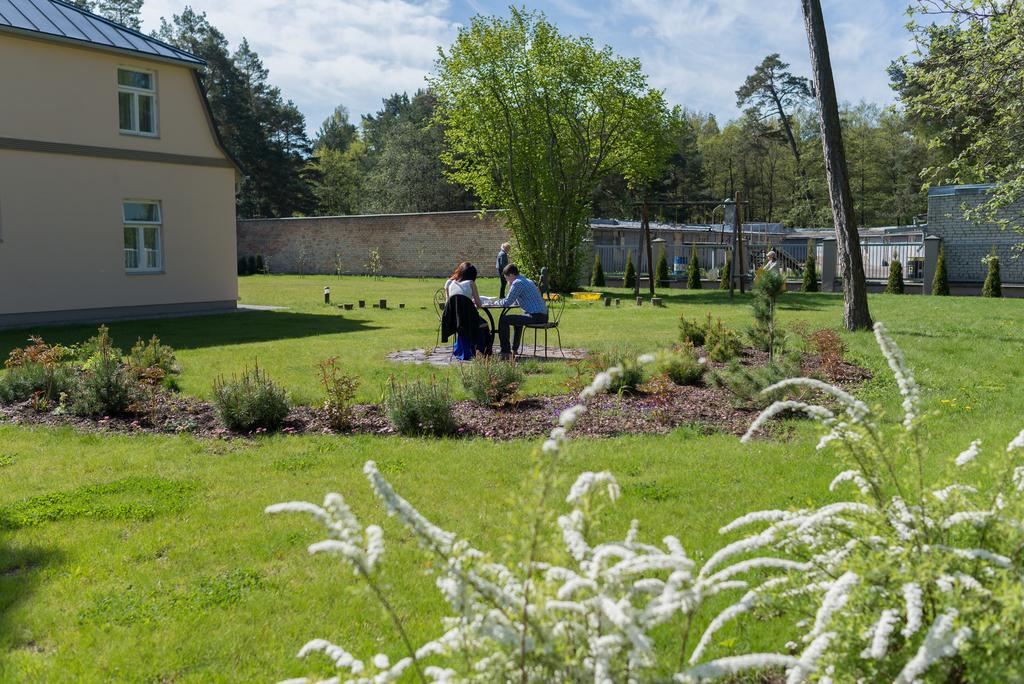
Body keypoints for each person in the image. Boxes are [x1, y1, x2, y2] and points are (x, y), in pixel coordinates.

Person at [493, 264, 548, 359]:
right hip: (543, 315)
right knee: (517, 320)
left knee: (504, 319)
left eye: (506, 278)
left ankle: (505, 351)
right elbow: (514, 301)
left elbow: (506, 303)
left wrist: (494, 302)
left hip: (536, 316)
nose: (507, 281)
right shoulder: (526, 280)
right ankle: (514, 349)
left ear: (511, 275)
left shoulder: (517, 282)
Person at [443, 262, 489, 360]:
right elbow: (479, 304)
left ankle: (465, 350)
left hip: (454, 319)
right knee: (484, 324)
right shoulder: (470, 283)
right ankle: (480, 350)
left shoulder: (451, 283)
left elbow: (449, 302)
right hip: (469, 318)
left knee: (465, 326)